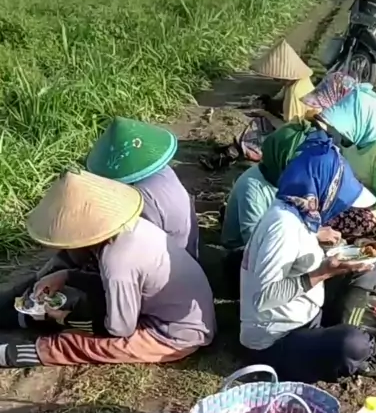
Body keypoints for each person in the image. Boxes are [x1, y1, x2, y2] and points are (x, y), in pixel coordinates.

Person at [0, 171, 215, 369]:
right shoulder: (132, 227)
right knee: (89, 303)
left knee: (80, 343)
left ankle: (12, 354)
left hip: (176, 334)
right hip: (163, 306)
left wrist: (64, 319)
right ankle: (20, 317)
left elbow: (119, 330)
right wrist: (65, 276)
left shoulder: (118, 263)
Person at [240, 135, 376, 383]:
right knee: (352, 344)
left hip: (306, 315)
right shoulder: (282, 227)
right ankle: (360, 348)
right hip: (276, 340)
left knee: (367, 269)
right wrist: (323, 272)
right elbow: (263, 298)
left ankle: (343, 335)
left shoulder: (298, 213)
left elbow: (300, 258)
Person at [302, 72, 376, 235]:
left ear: (360, 121)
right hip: (352, 196)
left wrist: (358, 214)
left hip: (375, 211)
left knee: (326, 222)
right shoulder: (352, 139)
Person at [86, 117, 199, 259]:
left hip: (175, 257)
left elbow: (143, 240)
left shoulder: (141, 197)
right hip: (189, 242)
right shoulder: (163, 170)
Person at [221, 120, 314, 253]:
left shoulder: (289, 180)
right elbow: (256, 243)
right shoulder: (252, 188)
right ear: (279, 159)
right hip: (245, 251)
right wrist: (311, 237)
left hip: (281, 239)